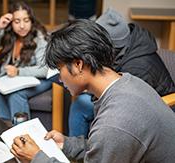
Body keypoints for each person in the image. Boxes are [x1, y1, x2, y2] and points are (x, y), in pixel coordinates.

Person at [0, 19, 175, 163]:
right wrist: (67, 144)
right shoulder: (127, 82)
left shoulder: (116, 121)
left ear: (78, 64)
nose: (59, 78)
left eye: (59, 69)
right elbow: (112, 145)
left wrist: (37, 158)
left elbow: (114, 135)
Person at [68, 8, 175, 137]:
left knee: (81, 104)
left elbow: (122, 103)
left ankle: (78, 150)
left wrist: (89, 86)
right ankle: (76, 146)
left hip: (154, 110)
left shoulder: (137, 68)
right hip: (127, 100)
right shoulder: (126, 46)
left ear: (109, 47)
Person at [0, 1, 51, 121]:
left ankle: (22, 132)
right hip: (15, 80)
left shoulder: (39, 38)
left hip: (40, 80)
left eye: (26, 21)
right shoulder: (10, 36)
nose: (22, 26)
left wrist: (18, 71)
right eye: (17, 22)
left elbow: (44, 70)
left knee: (16, 94)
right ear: (11, 23)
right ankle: (6, 127)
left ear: (32, 21)